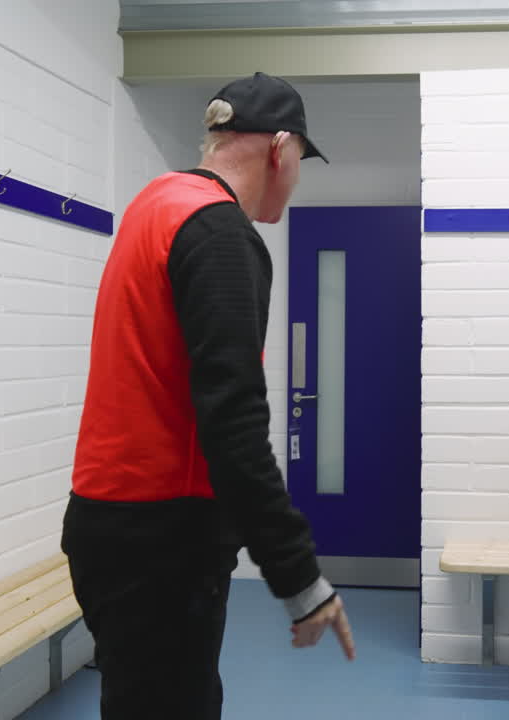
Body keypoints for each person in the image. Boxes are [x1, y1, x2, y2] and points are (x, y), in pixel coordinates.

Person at [60, 72, 354, 720]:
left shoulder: (154, 205)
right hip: (161, 537)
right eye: (300, 161)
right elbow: (233, 421)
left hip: (105, 523)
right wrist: (299, 576)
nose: (296, 177)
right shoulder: (218, 234)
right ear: (279, 148)